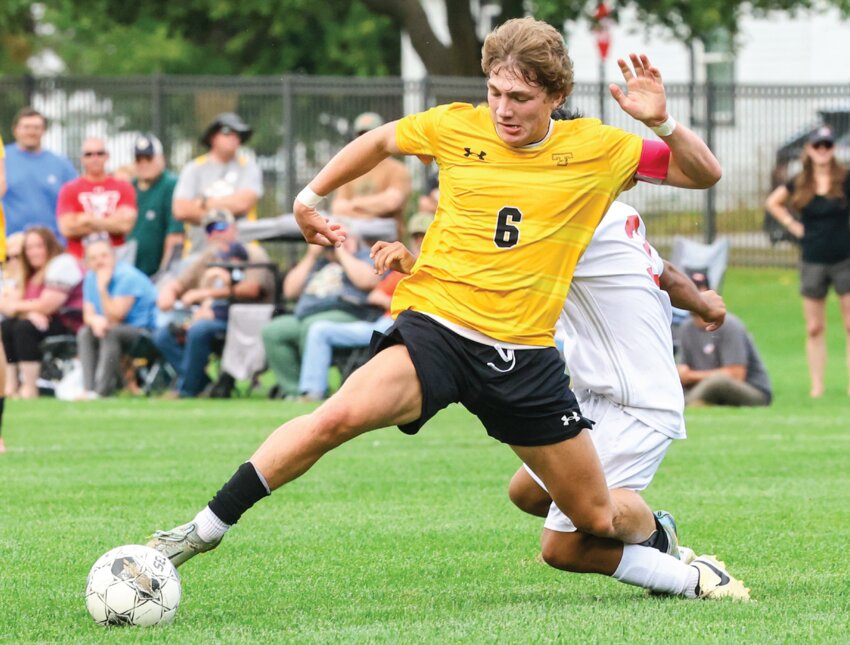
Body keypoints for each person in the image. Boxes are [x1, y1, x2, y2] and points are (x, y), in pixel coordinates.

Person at [148, 18, 741, 600]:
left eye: (521, 98)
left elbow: (703, 173)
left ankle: (659, 538)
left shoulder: (598, 150)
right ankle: (197, 533)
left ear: (556, 97)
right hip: (439, 329)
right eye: (494, 92)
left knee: (594, 517)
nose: (503, 109)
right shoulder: (456, 127)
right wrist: (309, 198)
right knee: (335, 418)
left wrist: (661, 121)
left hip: (524, 356)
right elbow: (380, 140)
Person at [502, 201, 743, 599]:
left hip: (638, 402)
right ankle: (656, 536)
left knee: (562, 547)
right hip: (595, 394)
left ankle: (694, 578)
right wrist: (702, 302)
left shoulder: (569, 211)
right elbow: (663, 270)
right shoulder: (613, 212)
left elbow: (497, 269)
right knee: (528, 494)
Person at [296, 212, 432, 401]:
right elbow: (376, 295)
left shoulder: (438, 268)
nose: (419, 241)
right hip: (386, 321)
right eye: (416, 236)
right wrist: (399, 303)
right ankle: (312, 392)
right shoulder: (404, 264)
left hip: (411, 325)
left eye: (424, 235)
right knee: (319, 330)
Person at [765, 124, 850, 398]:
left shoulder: (845, 178)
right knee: (814, 327)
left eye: (827, 145)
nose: (823, 150)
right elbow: (773, 203)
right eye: (818, 146)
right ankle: (817, 386)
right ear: (809, 150)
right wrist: (792, 224)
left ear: (833, 149)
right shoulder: (800, 181)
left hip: (844, 259)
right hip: (812, 259)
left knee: (849, 324)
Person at [154, 209, 273, 398]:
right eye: (210, 229)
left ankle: (187, 391)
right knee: (164, 335)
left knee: (199, 330)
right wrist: (168, 292)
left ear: (234, 228)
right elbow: (181, 282)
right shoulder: (211, 255)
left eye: (221, 226)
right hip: (211, 316)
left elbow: (253, 289)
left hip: (245, 319)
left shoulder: (252, 253)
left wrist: (206, 293)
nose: (216, 233)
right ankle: (204, 384)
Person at [261, 233, 381, 399]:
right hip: (305, 314)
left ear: (355, 239)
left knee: (311, 325)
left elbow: (368, 281)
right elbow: (289, 291)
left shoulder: (365, 257)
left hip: (349, 312)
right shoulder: (318, 262)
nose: (334, 242)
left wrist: (342, 252)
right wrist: (311, 256)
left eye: (341, 236)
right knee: (273, 331)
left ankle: (314, 390)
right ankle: (294, 391)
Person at [0, 227, 84, 399]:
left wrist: (24, 310)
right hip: (40, 322)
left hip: (69, 322)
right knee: (7, 326)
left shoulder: (62, 263)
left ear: (50, 245)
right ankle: (10, 386)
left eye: (39, 246)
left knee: (24, 328)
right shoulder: (28, 272)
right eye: (29, 248)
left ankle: (29, 387)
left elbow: (47, 305)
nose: (34, 252)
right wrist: (29, 312)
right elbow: (6, 305)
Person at [677, 270, 772, 407]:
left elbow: (735, 375)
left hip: (751, 391)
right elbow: (684, 369)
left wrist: (691, 376)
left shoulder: (729, 325)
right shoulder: (686, 329)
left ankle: (687, 404)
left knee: (718, 382)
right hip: (704, 388)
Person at [172, 112, 263, 255]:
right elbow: (181, 210)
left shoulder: (249, 167)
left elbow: (242, 203)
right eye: (227, 132)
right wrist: (227, 209)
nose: (234, 138)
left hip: (244, 252)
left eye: (238, 134)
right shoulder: (194, 168)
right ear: (212, 137)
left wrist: (203, 202)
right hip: (198, 252)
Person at [77, 238, 157, 399]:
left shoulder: (127, 277)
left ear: (114, 257)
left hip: (143, 333)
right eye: (93, 258)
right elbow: (88, 315)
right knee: (85, 332)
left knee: (110, 332)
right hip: (112, 327)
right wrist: (95, 321)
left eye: (104, 256)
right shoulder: (91, 278)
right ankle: (89, 389)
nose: (99, 261)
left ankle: (102, 391)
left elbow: (116, 316)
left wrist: (102, 289)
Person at [330, 111, 412, 238]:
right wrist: (371, 214)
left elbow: (392, 202)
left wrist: (355, 204)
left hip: (388, 245)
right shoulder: (349, 169)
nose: (366, 139)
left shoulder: (397, 169)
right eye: (362, 135)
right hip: (354, 243)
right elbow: (338, 208)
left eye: (371, 134)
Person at [2, 107, 78, 239]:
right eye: (26, 127)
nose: (32, 132)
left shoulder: (61, 164)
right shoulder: (2, 160)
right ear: (15, 130)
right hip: (11, 243)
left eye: (36, 127)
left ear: (44, 130)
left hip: (54, 244)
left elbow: (76, 201)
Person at [56, 137, 138, 260]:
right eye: (89, 154)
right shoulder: (69, 189)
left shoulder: (124, 187)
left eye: (99, 153)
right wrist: (111, 222)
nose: (95, 158)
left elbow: (125, 225)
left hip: (116, 257)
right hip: (80, 259)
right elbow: (66, 228)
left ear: (107, 156)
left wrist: (86, 219)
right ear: (82, 159)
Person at [129, 134, 183, 277]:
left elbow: (175, 236)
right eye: (138, 159)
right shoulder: (130, 187)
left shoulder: (170, 185)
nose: (143, 164)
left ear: (161, 159)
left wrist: (164, 275)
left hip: (155, 274)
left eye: (149, 158)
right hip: (130, 272)